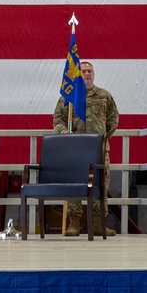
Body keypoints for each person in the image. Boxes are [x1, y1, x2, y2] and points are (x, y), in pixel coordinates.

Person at [53, 61, 120, 236]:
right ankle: (74, 224)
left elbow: (113, 119)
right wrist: (66, 135)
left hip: (98, 150)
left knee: (101, 184)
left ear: (94, 74)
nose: (87, 74)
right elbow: (58, 120)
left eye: (90, 71)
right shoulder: (68, 97)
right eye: (83, 71)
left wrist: (102, 138)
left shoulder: (104, 96)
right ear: (77, 75)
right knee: (73, 183)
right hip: (74, 149)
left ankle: (98, 224)